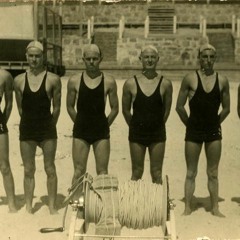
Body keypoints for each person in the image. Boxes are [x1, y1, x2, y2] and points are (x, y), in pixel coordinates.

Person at [176, 43, 230, 217]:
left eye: (211, 57)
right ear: (199, 58)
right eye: (204, 57)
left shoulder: (222, 80)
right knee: (191, 171)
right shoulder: (190, 79)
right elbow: (179, 107)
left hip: (213, 132)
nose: (207, 60)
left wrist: (215, 123)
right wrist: (190, 124)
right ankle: (187, 207)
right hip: (194, 131)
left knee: (213, 172)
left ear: (215, 59)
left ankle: (215, 207)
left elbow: (227, 108)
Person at [14, 41, 61, 214]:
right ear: (26, 56)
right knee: (28, 169)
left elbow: (56, 108)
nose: (34, 59)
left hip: (47, 129)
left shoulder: (53, 79)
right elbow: (21, 108)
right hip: (27, 129)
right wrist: (30, 122)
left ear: (43, 57)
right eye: (31, 56)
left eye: (37, 56)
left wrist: (49, 125)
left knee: (50, 168)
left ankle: (52, 206)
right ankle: (28, 207)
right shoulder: (18, 80)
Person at [66, 44, 119, 198]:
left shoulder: (109, 81)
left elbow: (115, 108)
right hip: (81, 131)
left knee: (102, 172)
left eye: (94, 59)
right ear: (83, 60)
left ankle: (102, 205)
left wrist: (104, 124)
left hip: (101, 132)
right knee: (78, 170)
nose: (91, 62)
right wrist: (79, 122)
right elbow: (69, 106)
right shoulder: (74, 80)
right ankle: (75, 202)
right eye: (88, 59)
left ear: (100, 59)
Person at [122, 45, 173, 184]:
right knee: (137, 172)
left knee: (157, 173)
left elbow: (167, 110)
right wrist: (135, 125)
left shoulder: (166, 84)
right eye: (146, 57)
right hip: (137, 133)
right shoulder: (130, 83)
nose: (149, 60)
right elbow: (125, 110)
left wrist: (157, 125)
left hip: (157, 133)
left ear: (158, 59)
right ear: (141, 59)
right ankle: (131, 204)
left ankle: (157, 205)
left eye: (152, 57)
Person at [0, 69, 17, 213]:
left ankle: (12, 203)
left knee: (4, 165)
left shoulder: (4, 76)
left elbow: (9, 103)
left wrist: (2, 122)